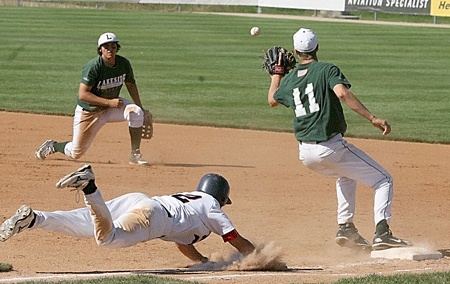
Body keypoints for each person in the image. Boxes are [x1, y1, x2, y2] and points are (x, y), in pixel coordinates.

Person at [266, 28, 411, 251]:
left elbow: (272, 100)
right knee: (384, 180)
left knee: (346, 175)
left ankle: (346, 227)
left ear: (295, 52)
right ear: (317, 47)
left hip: (306, 154)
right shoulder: (326, 69)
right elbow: (342, 93)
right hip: (330, 147)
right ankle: (383, 233)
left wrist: (277, 73)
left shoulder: (290, 80)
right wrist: (372, 118)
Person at [0, 165, 255, 263]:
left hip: (141, 201)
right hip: (151, 216)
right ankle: (89, 187)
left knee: (84, 225)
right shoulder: (212, 207)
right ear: (222, 197)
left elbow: (182, 242)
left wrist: (201, 261)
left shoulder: (193, 201)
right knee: (106, 238)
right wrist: (259, 257)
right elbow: (235, 239)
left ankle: (33, 219)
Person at [34, 32, 149, 166]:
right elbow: (83, 95)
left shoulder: (123, 63)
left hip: (110, 109)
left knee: (136, 112)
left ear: (117, 48)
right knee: (76, 152)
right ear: (100, 49)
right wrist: (109, 102)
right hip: (89, 112)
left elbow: (131, 84)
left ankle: (135, 154)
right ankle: (54, 146)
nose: (110, 49)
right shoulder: (94, 66)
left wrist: (141, 107)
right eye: (106, 47)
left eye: (113, 46)